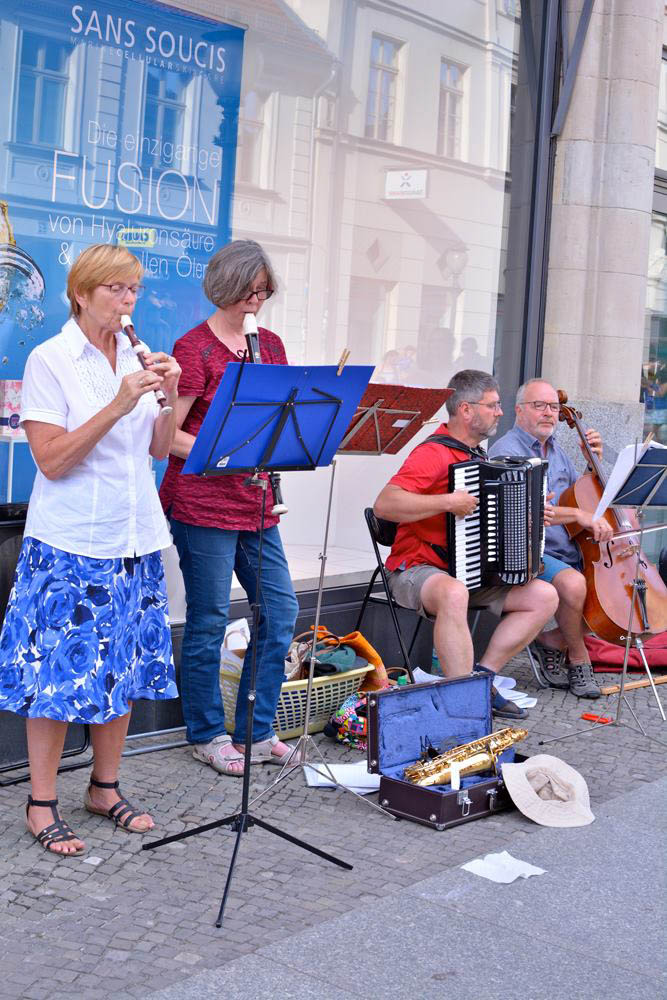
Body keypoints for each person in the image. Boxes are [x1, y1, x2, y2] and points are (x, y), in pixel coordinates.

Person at [0, 244, 181, 855]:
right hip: (72, 542)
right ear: (81, 293)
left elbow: (158, 450)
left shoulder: (133, 353)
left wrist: (170, 394)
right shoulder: (50, 359)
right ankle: (41, 802)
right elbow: (51, 461)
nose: (128, 301)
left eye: (134, 289)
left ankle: (105, 788)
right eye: (115, 289)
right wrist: (119, 402)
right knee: (55, 677)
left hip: (134, 538)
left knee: (121, 669)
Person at [159, 240, 298, 776]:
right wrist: (227, 451)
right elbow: (169, 435)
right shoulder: (194, 347)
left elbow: (280, 420)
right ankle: (206, 733)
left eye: (264, 292)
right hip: (201, 500)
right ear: (225, 287)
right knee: (210, 618)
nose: (256, 301)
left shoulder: (272, 346)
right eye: (249, 291)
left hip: (254, 500)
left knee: (280, 611)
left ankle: (257, 731)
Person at [373, 369, 559, 719]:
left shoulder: (478, 457)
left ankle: (483, 679)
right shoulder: (433, 453)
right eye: (493, 405)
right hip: (416, 569)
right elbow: (385, 505)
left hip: (468, 571)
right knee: (454, 592)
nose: (500, 412)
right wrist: (447, 502)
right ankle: (462, 702)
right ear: (466, 409)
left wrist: (532, 515)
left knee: (544, 596)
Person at [489, 377, 614, 698]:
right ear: (519, 410)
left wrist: (593, 464)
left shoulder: (557, 450)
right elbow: (528, 512)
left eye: (554, 407)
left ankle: (551, 641)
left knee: (616, 596)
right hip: (529, 550)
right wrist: (578, 516)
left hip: (567, 548)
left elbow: (578, 499)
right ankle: (579, 659)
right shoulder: (506, 451)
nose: (549, 413)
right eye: (539, 406)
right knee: (574, 584)